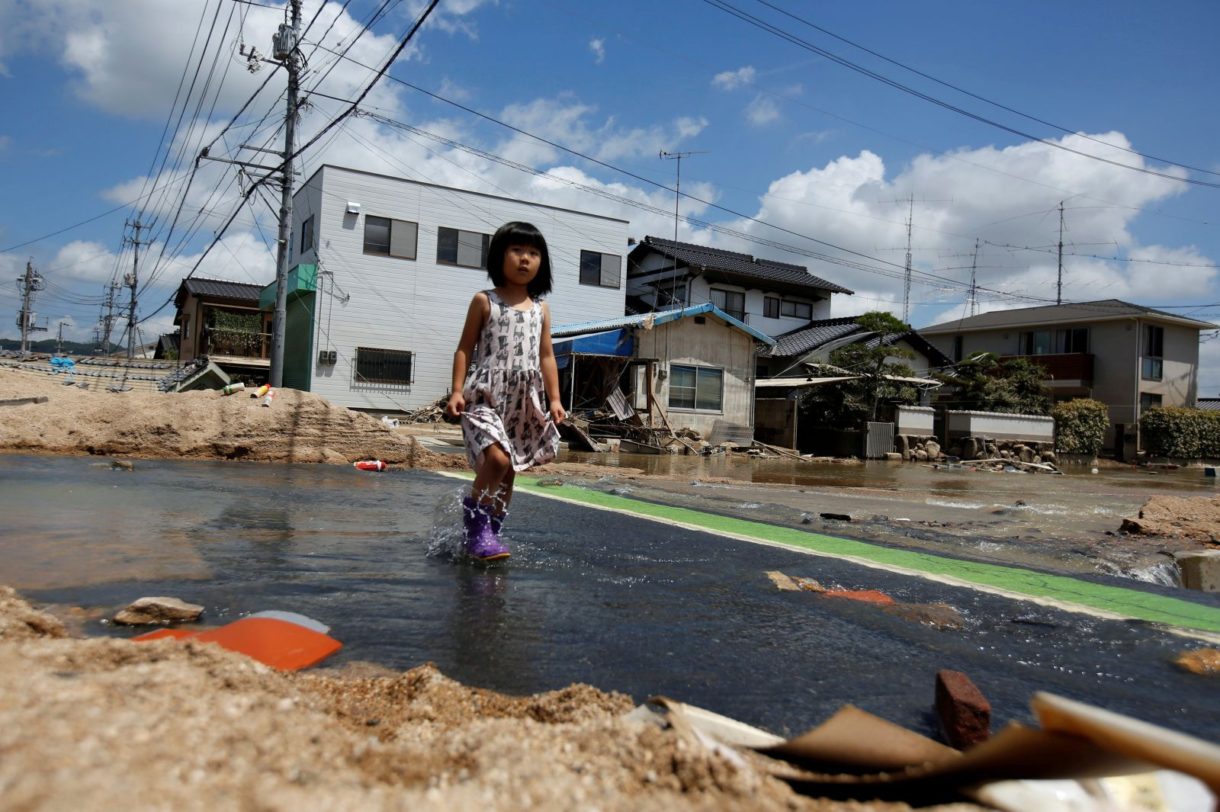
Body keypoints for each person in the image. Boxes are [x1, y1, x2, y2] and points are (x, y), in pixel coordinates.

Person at [446, 221, 566, 561]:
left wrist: (554, 399)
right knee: (497, 459)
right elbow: (464, 348)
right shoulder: (484, 301)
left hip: (523, 401)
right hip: (485, 394)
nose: (525, 259)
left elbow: (546, 356)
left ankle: (491, 533)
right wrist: (456, 391)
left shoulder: (541, 310)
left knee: (510, 471)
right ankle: (476, 528)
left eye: (533, 252)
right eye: (516, 250)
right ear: (500, 256)